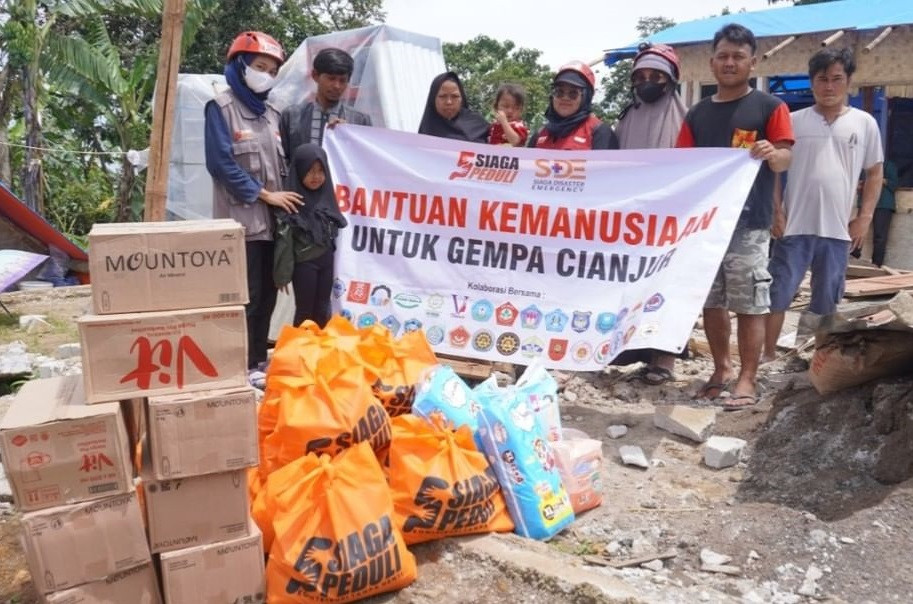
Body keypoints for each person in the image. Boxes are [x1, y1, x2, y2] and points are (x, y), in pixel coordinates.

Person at [675, 23, 793, 410]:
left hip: (749, 223)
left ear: (752, 62)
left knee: (750, 302)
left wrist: (771, 153)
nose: (730, 63)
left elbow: (785, 157)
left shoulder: (770, 108)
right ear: (712, 63)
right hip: (706, 225)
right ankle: (721, 369)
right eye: (723, 56)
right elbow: (681, 166)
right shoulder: (696, 114)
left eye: (738, 57)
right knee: (711, 300)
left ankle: (747, 377)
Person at [764, 48, 883, 362]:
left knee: (827, 299)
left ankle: (810, 359)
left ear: (848, 82)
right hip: (794, 225)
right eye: (822, 79)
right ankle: (764, 359)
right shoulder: (792, 121)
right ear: (812, 82)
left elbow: (874, 172)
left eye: (836, 79)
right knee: (778, 294)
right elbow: (774, 170)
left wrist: (865, 216)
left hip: (838, 228)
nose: (829, 86)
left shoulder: (865, 123)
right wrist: (777, 211)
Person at [204, 31, 302, 370]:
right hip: (241, 225)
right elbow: (221, 164)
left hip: (273, 226)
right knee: (248, 298)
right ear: (240, 65)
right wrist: (265, 195)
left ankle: (258, 363)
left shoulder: (272, 114)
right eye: (261, 67)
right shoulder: (221, 108)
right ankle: (238, 366)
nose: (267, 75)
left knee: (270, 296)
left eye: (273, 70)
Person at [613, 43, 688, 384]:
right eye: (641, 76)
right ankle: (627, 350)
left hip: (671, 221)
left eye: (655, 75)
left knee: (667, 287)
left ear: (670, 79)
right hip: (632, 220)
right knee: (631, 286)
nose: (647, 81)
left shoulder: (686, 119)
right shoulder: (627, 117)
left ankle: (664, 359)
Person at [273, 144, 347, 327]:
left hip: (326, 262)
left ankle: (319, 350)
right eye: (310, 171)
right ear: (299, 171)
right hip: (304, 265)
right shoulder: (292, 202)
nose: (316, 177)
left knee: (323, 308)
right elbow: (285, 241)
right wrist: (282, 275)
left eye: (321, 171)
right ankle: (301, 349)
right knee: (305, 311)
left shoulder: (327, 198)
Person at [279, 47, 372, 156]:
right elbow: (284, 161)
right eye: (331, 78)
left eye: (342, 80)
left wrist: (348, 134)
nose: (337, 86)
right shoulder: (291, 116)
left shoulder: (360, 121)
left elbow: (364, 160)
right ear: (315, 76)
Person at [530, 61, 618, 150]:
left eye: (573, 93)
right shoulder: (540, 134)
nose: (565, 98)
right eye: (559, 92)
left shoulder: (600, 132)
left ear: (586, 97)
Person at [418, 72, 489, 142]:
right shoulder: (425, 132)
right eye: (443, 96)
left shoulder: (478, 125)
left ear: (461, 98)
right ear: (433, 99)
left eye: (455, 96)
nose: (449, 102)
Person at [851, 159, 897, 267]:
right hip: (865, 202)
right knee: (858, 229)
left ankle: (877, 263)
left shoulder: (889, 165)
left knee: (880, 236)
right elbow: (857, 184)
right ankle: (853, 255)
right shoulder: (864, 166)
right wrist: (860, 185)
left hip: (883, 205)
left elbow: (894, 184)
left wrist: (880, 180)